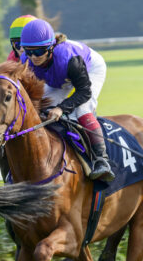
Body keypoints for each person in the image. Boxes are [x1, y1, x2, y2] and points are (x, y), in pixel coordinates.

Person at [19, 18, 114, 182]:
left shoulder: (69, 59)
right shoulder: (26, 61)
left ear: (50, 48)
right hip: (57, 76)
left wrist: (62, 108)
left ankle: (101, 160)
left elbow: (84, 91)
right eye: (29, 51)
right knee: (44, 108)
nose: (34, 57)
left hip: (90, 69)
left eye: (39, 51)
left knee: (82, 109)